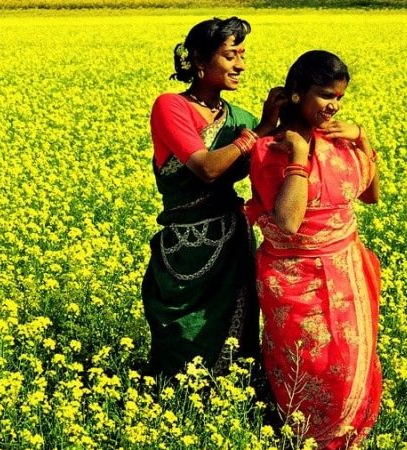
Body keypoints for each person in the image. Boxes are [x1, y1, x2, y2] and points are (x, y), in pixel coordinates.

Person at [245, 50, 382, 449]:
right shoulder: (271, 149)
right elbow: (288, 220)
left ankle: (347, 437)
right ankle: (309, 439)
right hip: (295, 277)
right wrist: (301, 157)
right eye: (325, 95)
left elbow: (370, 196)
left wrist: (363, 139)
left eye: (339, 97)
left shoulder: (339, 140)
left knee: (350, 360)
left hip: (347, 269)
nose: (333, 106)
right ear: (295, 94)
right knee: (313, 365)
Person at [142, 16, 285, 378]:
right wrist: (259, 132)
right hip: (186, 247)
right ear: (200, 62)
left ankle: (232, 403)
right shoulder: (171, 107)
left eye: (242, 54)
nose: (240, 64)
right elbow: (205, 168)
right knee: (182, 335)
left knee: (238, 338)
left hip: (231, 242)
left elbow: (279, 153)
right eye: (229, 55)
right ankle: (177, 407)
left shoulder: (240, 117)